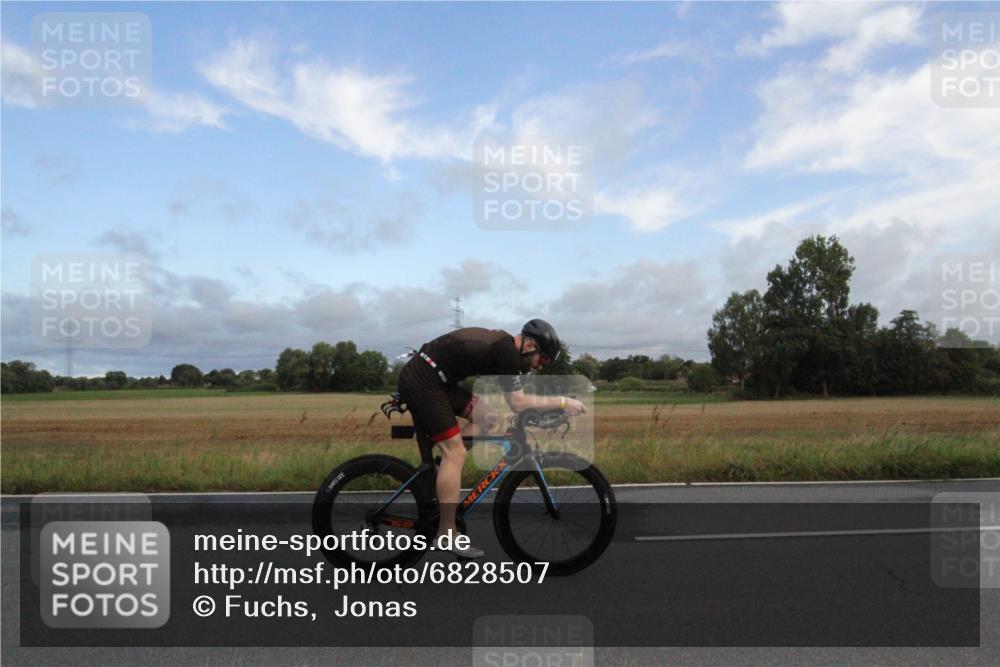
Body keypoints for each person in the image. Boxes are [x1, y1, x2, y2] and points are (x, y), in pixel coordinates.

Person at [396, 319, 586, 558]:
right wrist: (562, 402)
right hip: (425, 381)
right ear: (530, 346)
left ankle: (443, 468)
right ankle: (446, 533)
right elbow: (518, 403)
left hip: (439, 380)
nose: (539, 366)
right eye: (543, 358)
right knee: (455, 452)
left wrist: (549, 409)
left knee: (488, 417)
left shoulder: (505, 349)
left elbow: (518, 400)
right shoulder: (506, 350)